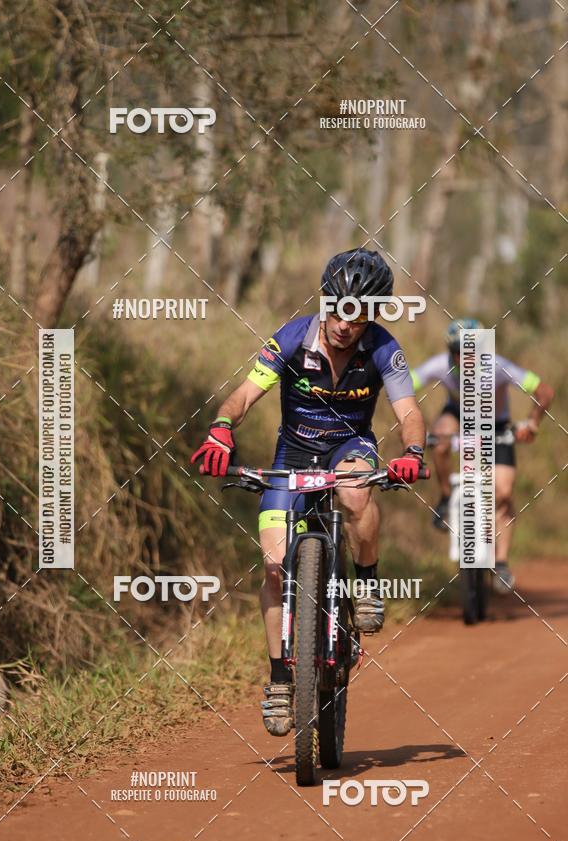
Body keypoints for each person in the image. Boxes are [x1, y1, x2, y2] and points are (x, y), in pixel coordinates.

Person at [191, 249, 426, 736]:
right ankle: (280, 679)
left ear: (373, 314)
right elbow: (243, 395)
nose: (344, 322)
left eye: (358, 313)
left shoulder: (384, 348)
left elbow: (408, 412)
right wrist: (220, 429)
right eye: (338, 307)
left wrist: (414, 452)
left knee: (358, 493)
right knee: (274, 567)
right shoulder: (291, 339)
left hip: (350, 447)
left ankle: (366, 581)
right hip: (293, 454)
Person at [411, 318, 554, 593]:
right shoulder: (439, 366)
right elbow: (404, 384)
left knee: (502, 492)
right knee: (439, 439)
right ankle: (445, 498)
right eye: (458, 353)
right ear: (450, 352)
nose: (466, 359)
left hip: (496, 426)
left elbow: (544, 392)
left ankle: (500, 563)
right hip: (458, 418)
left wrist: (532, 422)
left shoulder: (499, 367)